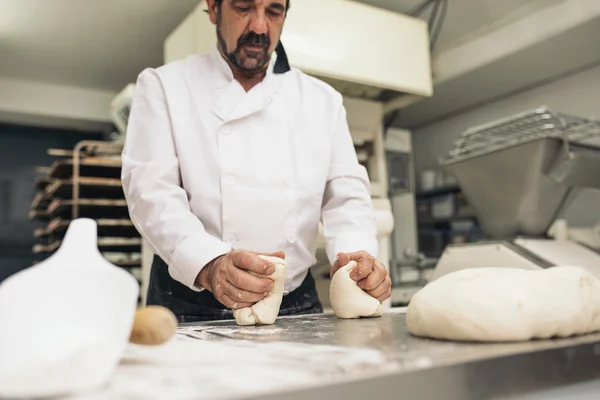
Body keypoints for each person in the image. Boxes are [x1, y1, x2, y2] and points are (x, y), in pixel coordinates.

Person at [121, 0, 392, 323]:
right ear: (213, 9)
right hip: (189, 301)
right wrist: (209, 264)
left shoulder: (323, 101)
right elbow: (151, 194)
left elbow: (346, 200)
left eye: (274, 11)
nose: (260, 27)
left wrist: (357, 259)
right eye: (244, 7)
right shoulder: (165, 86)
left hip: (296, 302)